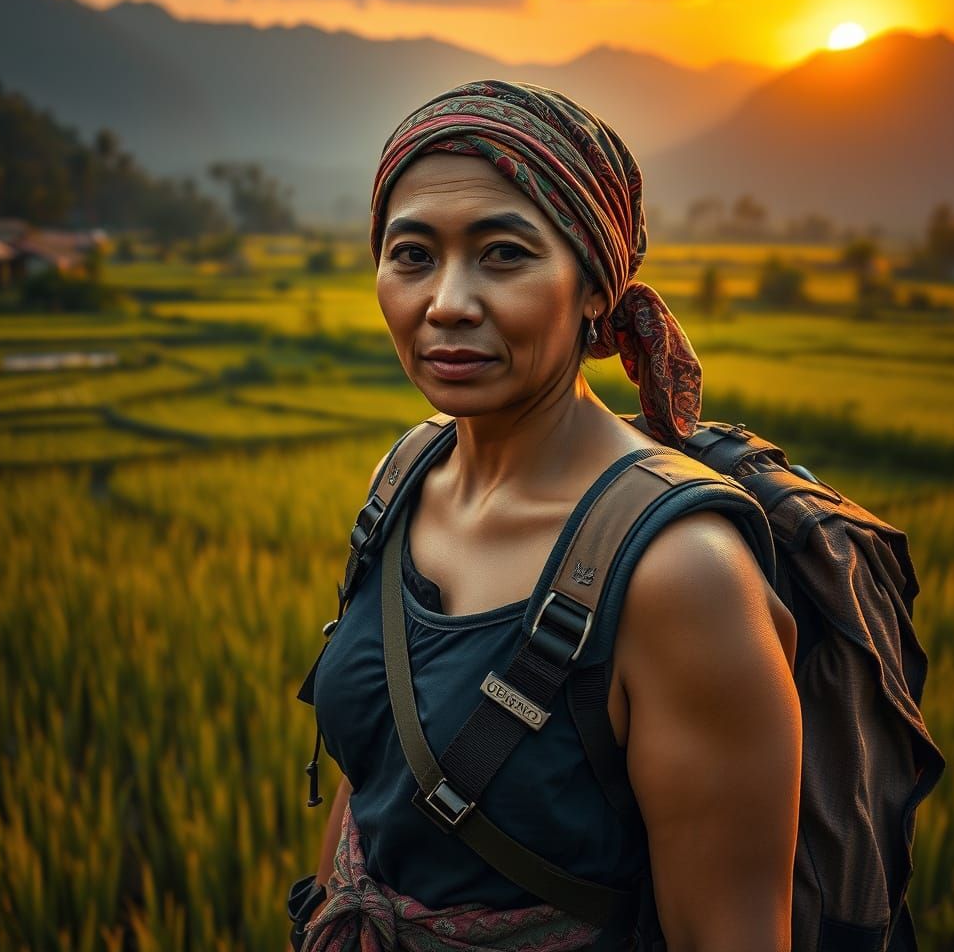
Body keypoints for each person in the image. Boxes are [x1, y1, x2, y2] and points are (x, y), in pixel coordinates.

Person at [300, 80, 801, 952]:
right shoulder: (403, 477)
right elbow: (374, 790)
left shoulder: (682, 576)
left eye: (503, 255)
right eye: (412, 254)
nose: (446, 302)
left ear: (595, 288)